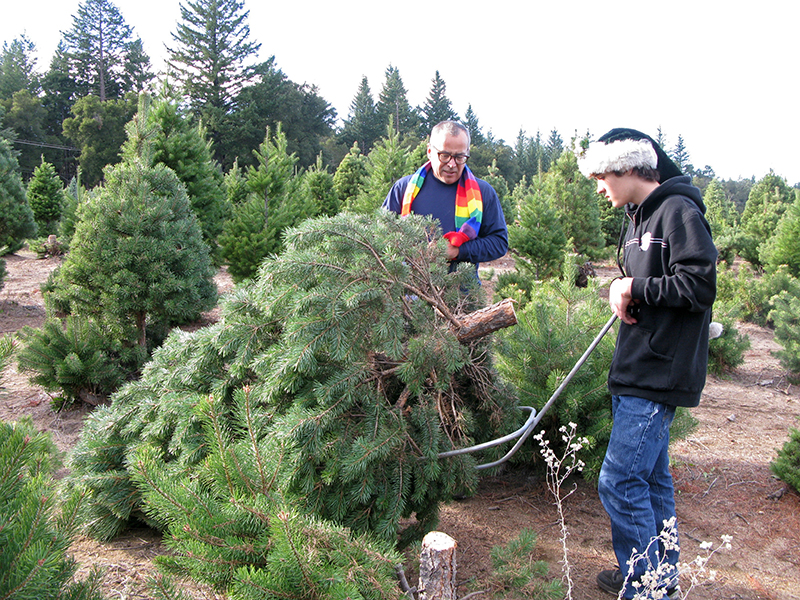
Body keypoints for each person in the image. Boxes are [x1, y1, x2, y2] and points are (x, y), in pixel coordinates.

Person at [577, 128, 717, 599]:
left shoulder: (678, 211)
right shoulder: (640, 217)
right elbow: (658, 283)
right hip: (637, 368)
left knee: (619, 481)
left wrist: (633, 288)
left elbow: (699, 286)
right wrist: (628, 286)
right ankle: (657, 573)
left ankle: (646, 588)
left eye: (601, 175)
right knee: (653, 482)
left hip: (657, 375)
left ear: (627, 167)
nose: (599, 186)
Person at [382, 120, 508, 273]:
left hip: (461, 295)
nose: (452, 164)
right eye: (445, 155)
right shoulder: (403, 188)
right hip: (409, 292)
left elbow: (499, 243)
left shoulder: (483, 192)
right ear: (429, 151)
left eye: (459, 157)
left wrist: (458, 251)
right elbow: (380, 235)